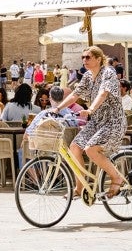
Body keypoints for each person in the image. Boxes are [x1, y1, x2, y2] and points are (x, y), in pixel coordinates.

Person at [52, 46, 127, 198]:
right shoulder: (87, 76)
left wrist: (91, 109)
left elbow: (103, 93)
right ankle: (80, 188)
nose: (84, 60)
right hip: (97, 122)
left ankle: (116, 177)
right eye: (83, 57)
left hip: (113, 122)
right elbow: (75, 94)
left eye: (88, 57)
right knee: (75, 147)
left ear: (98, 59)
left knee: (91, 149)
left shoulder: (108, 73)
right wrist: (57, 108)